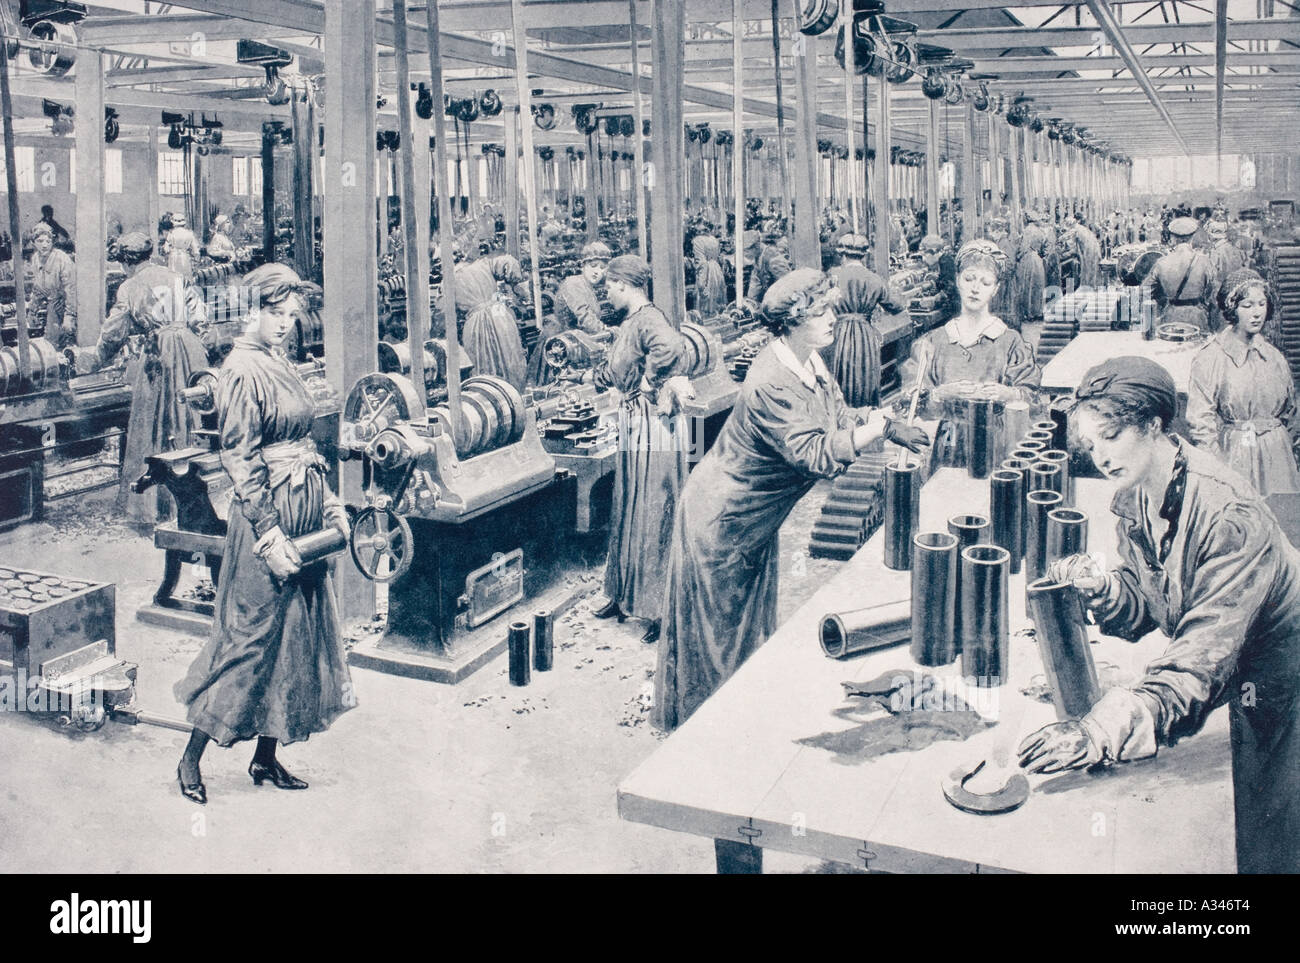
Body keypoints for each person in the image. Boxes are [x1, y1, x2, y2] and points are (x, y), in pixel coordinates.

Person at [1019, 355, 1300, 873]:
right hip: (1235, 669)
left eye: (1112, 436)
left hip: (1282, 683)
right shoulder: (1136, 498)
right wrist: (1104, 587)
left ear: (1153, 424)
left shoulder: (1231, 520)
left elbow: (1200, 657)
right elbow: (1153, 602)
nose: (1100, 456)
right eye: (1091, 442)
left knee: (1267, 839)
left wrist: (1104, 729)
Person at [654, 269, 930, 731]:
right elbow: (816, 455)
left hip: (755, 520)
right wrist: (878, 431)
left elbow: (838, 418)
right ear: (793, 321)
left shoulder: (812, 361)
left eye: (830, 308)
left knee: (748, 629)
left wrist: (881, 416)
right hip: (722, 518)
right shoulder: (771, 380)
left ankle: (739, 717)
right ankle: (707, 731)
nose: (832, 319)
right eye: (820, 312)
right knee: (718, 635)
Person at [174, 263, 354, 805]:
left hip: (302, 503)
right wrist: (270, 534)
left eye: (290, 315)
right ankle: (189, 759)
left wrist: (328, 502)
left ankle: (267, 756)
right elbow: (240, 458)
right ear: (250, 312)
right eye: (273, 314)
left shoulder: (280, 360)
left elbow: (303, 441)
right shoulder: (241, 368)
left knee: (296, 636)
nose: (284, 324)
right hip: (266, 517)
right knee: (248, 642)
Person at [581, 255, 694, 645]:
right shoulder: (631, 321)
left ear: (624, 285)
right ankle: (622, 594)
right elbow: (621, 363)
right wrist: (596, 375)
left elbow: (671, 347)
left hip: (653, 423)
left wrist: (648, 383)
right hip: (635, 421)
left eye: (609, 287)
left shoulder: (648, 319)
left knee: (654, 509)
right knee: (628, 506)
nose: (606, 294)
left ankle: (660, 610)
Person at [70, 233, 212, 528]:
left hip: (161, 354)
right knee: (185, 419)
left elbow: (113, 333)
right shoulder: (176, 276)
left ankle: (155, 507)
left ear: (126, 262)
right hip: (189, 349)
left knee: (154, 424)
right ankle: (189, 499)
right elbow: (200, 317)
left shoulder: (130, 286)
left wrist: (91, 360)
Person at [1187, 270, 1300, 496]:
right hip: (1236, 454)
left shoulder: (1274, 356)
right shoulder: (1212, 357)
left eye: (1261, 304)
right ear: (1232, 309)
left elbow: (1292, 414)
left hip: (1279, 459)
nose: (1256, 313)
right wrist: (1215, 472)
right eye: (1247, 306)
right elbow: (1201, 422)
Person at [824, 233, 905, 407]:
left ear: (843, 255)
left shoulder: (833, 277)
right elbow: (896, 306)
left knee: (841, 379)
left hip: (839, 334)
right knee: (865, 379)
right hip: (865, 336)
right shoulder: (874, 279)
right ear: (863, 255)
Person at [528, 241, 610, 385]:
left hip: (575, 342)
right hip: (560, 343)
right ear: (583, 265)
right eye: (593, 266)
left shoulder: (588, 286)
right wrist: (606, 333)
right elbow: (584, 316)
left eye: (602, 268)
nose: (598, 271)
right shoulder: (573, 284)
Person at [454, 252, 531, 392]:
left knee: (482, 364)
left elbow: (441, 315)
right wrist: (515, 286)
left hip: (474, 324)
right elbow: (509, 262)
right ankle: (517, 394)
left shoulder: (449, 280)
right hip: (499, 315)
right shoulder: (483, 265)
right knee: (510, 357)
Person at [1141, 216, 1217, 334]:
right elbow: (1212, 293)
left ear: (1173, 238)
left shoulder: (1161, 263)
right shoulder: (1204, 261)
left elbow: (1144, 291)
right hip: (1197, 317)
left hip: (1170, 317)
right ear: (1192, 238)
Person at [27, 222, 77, 348]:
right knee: (47, 342)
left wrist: (70, 315)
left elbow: (71, 289)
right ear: (33, 243)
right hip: (52, 303)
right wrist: (32, 311)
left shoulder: (61, 259)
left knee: (58, 341)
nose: (44, 245)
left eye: (48, 241)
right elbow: (38, 288)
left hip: (66, 303)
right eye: (40, 241)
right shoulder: (35, 259)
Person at [1011, 212, 1048, 330]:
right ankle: (1038, 311)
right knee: (1038, 286)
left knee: (1027, 285)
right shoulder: (1040, 231)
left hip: (1028, 259)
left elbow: (1023, 247)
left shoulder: (1028, 231)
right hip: (1037, 259)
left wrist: (1017, 257)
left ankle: (1029, 313)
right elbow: (1044, 247)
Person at [746, 221, 791, 302]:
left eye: (747, 251)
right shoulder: (757, 258)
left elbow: (786, 283)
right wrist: (750, 302)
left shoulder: (773, 257)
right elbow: (755, 283)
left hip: (780, 299)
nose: (746, 255)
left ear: (756, 246)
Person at [920, 233, 959, 321]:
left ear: (933, 251)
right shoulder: (944, 260)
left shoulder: (946, 262)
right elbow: (944, 280)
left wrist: (934, 299)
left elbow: (949, 288)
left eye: (925, 255)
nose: (924, 259)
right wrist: (933, 284)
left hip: (955, 309)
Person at [691, 234, 728, 319]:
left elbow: (701, 263)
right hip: (716, 270)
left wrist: (701, 286)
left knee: (704, 306)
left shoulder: (698, 241)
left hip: (707, 273)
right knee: (715, 304)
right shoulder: (713, 239)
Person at [165, 212, 200, 281]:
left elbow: (166, 249)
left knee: (174, 276)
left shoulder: (171, 233)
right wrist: (196, 258)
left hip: (174, 256)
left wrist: (169, 251)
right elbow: (195, 249)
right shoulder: (189, 233)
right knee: (185, 276)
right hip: (185, 256)